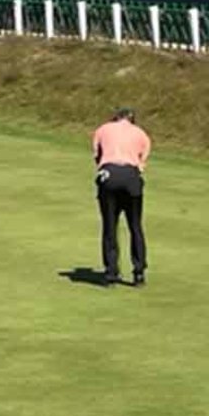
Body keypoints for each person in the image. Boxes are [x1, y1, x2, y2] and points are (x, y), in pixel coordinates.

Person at [92, 108, 153, 286]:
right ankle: (139, 273)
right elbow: (142, 162)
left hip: (109, 174)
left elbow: (97, 156)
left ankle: (111, 273)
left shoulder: (102, 129)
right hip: (131, 177)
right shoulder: (141, 134)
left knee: (110, 225)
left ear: (115, 118)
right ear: (132, 120)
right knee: (135, 225)